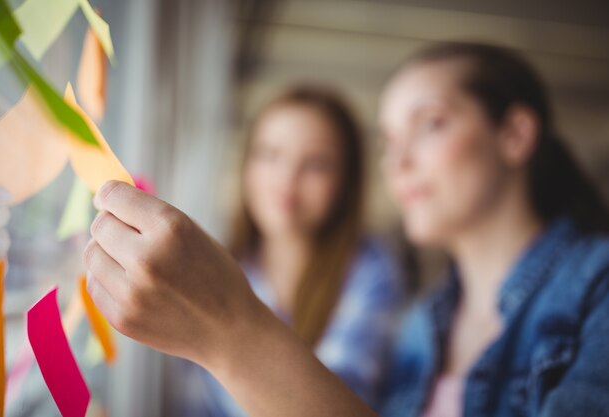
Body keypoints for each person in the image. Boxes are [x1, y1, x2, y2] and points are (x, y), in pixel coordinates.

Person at [83, 42, 609, 417]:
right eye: (387, 141)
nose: (398, 160)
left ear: (515, 134)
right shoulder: (423, 326)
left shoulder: (597, 289)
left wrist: (228, 331)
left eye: (429, 123)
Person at [167, 86, 404, 416]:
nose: (286, 179)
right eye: (269, 154)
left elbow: (340, 401)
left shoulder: (372, 269)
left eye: (317, 164)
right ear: (247, 163)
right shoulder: (219, 261)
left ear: (347, 182)